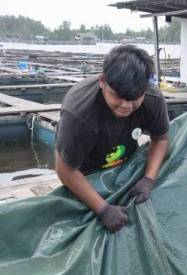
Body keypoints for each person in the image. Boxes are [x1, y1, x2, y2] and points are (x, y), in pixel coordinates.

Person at [55, 45, 169, 233]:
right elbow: (66, 170)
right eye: (117, 96)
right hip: (84, 172)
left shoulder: (152, 97)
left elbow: (161, 139)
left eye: (134, 98)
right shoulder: (79, 113)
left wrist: (148, 179)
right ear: (102, 81)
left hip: (123, 162)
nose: (126, 105)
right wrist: (103, 209)